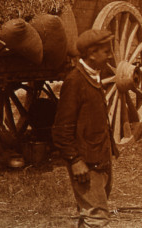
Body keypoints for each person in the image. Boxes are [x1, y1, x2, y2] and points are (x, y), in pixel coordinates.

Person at [52, 29, 119, 227]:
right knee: (97, 217)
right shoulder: (75, 81)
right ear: (91, 54)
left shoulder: (94, 76)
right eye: (106, 52)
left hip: (100, 157)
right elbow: (61, 129)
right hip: (86, 162)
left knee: (91, 212)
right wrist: (75, 160)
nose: (110, 56)